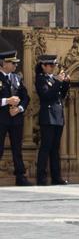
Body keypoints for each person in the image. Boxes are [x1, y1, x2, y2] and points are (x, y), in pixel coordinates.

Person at [33, 54, 67, 186]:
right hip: (47, 116)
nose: (53, 68)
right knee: (45, 147)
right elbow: (46, 95)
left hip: (57, 116)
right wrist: (58, 82)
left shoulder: (53, 79)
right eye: (51, 65)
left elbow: (60, 96)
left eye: (54, 65)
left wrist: (65, 83)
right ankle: (41, 178)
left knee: (55, 148)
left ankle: (56, 176)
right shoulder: (41, 79)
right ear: (43, 66)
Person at [0, 49, 28, 185]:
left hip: (15, 118)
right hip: (2, 118)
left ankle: (20, 176)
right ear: (4, 63)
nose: (15, 66)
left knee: (17, 148)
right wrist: (6, 101)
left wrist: (19, 108)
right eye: (13, 63)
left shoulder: (17, 78)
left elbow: (25, 97)